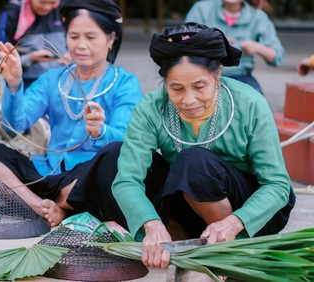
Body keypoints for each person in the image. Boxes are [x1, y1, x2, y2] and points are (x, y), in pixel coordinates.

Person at [80, 22, 295, 268]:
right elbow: (128, 180)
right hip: (186, 201)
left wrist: (234, 223)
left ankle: (229, 249)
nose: (189, 99)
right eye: (177, 88)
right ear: (165, 83)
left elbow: (277, 186)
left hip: (248, 214)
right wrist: (151, 224)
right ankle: (172, 238)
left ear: (218, 73)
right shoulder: (151, 107)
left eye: (199, 86)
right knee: (112, 156)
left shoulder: (249, 103)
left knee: (194, 161)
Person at [0, 0, 142, 227]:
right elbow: (14, 125)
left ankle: (52, 205)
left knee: (114, 159)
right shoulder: (52, 79)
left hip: (86, 177)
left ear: (111, 39)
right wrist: (15, 84)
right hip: (47, 171)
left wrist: (100, 131)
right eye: (74, 37)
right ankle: (41, 206)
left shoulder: (125, 83)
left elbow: (128, 141)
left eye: (91, 37)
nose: (81, 45)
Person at [185, 0, 285, 94]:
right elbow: (185, 42)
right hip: (203, 73)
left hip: (240, 76)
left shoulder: (258, 16)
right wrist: (214, 44)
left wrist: (257, 47)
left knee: (255, 98)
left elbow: (277, 57)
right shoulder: (201, 9)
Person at [0, 0, 70, 88]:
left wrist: (73, 57)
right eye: (42, 2)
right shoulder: (13, 12)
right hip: (27, 83)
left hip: (62, 80)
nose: (47, 7)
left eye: (53, 2)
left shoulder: (65, 9)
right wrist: (30, 58)